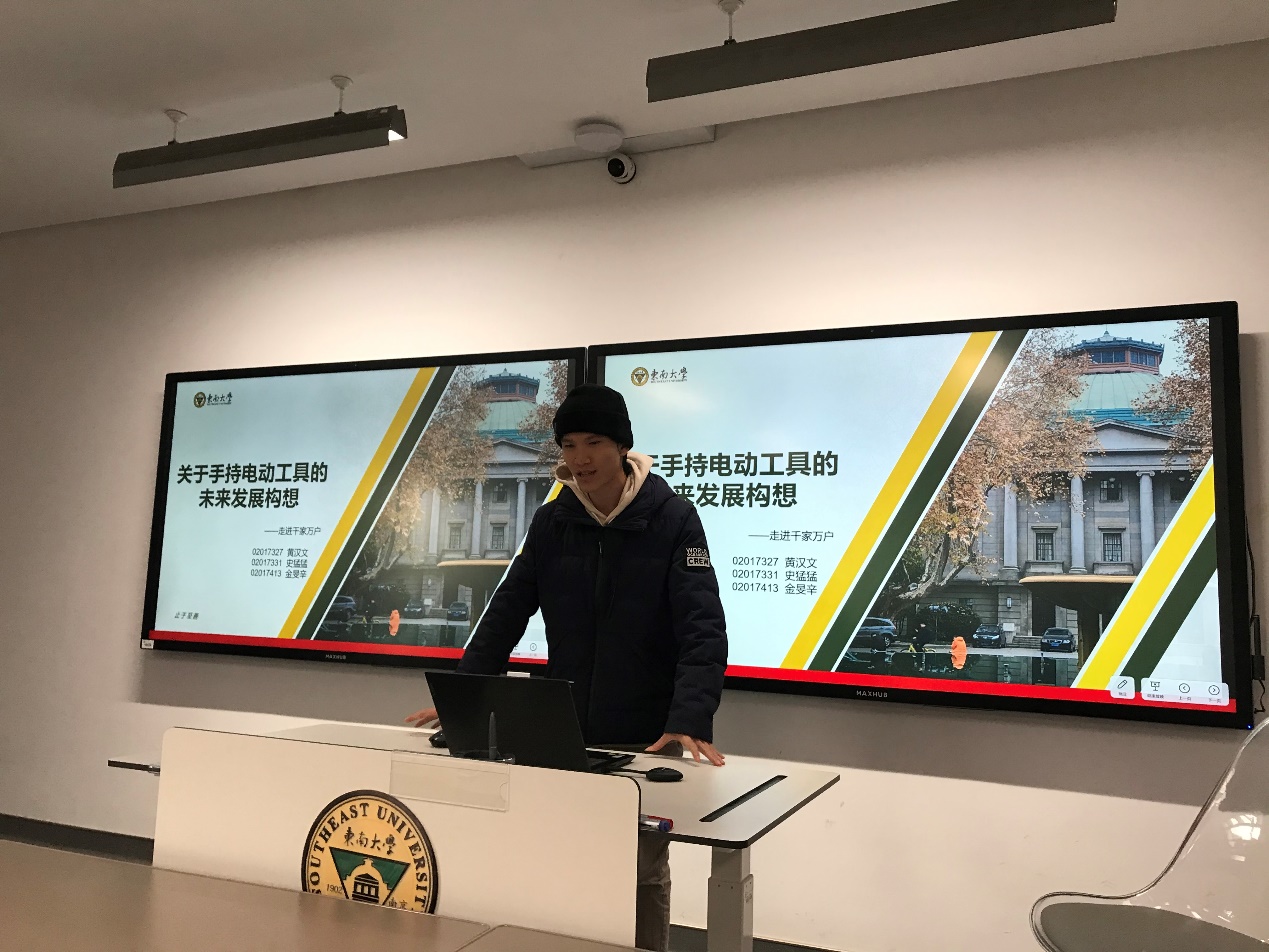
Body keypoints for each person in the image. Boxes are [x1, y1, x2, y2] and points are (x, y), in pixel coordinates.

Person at [406, 383, 728, 952]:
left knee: (640, 868)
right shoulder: (553, 521)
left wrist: (690, 715)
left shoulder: (673, 518)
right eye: (570, 444)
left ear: (622, 447)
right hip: (563, 727)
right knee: (561, 859)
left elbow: (702, 626)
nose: (580, 458)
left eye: (594, 442)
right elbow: (507, 609)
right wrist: (465, 692)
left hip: (645, 732)